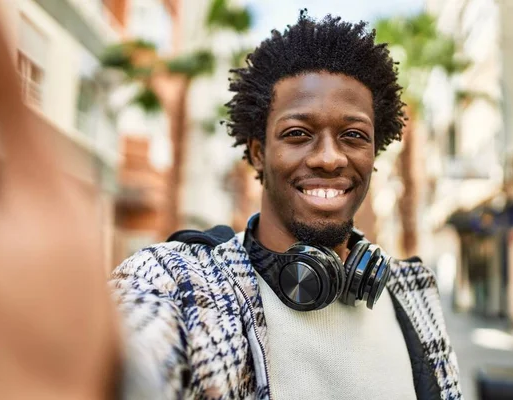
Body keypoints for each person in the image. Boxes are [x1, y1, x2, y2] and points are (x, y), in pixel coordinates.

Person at [112, 10, 462, 400]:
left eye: (353, 135)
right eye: (298, 133)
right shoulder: (178, 283)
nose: (329, 158)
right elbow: (127, 357)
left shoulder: (415, 291)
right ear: (259, 153)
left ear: (374, 151)